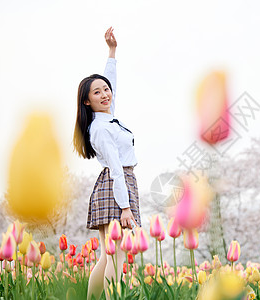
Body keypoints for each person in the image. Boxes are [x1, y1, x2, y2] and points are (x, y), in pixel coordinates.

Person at [72, 27, 141, 300]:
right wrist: (125, 208)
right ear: (87, 102)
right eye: (97, 93)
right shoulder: (101, 129)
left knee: (108, 255)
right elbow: (115, 170)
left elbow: (109, 81)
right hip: (116, 188)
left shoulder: (107, 117)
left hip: (117, 185)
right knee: (117, 257)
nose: (105, 94)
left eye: (105, 90)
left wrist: (112, 52)